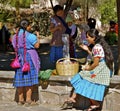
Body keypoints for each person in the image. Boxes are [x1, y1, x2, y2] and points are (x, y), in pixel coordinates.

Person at [61, 29, 114, 111]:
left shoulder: (97, 47)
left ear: (93, 37)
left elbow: (95, 63)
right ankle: (73, 97)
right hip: (103, 68)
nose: (86, 38)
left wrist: (88, 68)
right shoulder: (99, 45)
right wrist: (87, 50)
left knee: (84, 78)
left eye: (88, 37)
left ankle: (95, 103)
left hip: (102, 70)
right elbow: (96, 58)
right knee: (83, 76)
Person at [12, 19, 40, 105]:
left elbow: (14, 46)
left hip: (19, 58)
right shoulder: (30, 36)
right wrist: (38, 36)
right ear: (27, 26)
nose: (30, 27)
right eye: (29, 25)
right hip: (29, 59)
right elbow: (37, 45)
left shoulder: (15, 37)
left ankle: (20, 99)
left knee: (19, 78)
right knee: (29, 78)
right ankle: (28, 99)